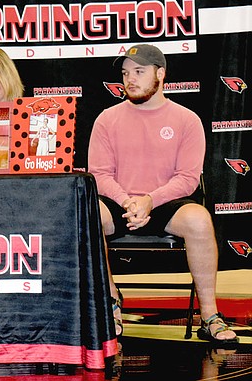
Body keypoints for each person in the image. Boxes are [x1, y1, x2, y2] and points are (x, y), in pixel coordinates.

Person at [88, 44, 238, 345]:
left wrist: (149, 201)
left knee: (199, 219)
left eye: (139, 72)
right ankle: (111, 302)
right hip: (120, 203)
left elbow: (187, 179)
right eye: (126, 73)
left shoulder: (186, 120)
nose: (130, 79)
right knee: (88, 214)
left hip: (165, 203)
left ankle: (209, 316)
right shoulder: (107, 118)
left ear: (161, 74)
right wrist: (129, 201)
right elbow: (99, 175)